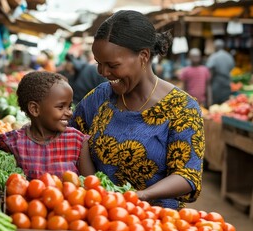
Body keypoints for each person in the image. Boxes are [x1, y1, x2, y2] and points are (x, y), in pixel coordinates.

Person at [69, 10, 204, 209]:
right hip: (100, 215)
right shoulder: (98, 99)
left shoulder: (182, 108)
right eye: (99, 64)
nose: (103, 73)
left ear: (143, 56)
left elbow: (187, 175)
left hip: (155, 221)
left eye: (112, 65)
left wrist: (140, 196)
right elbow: (70, 139)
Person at [0, 71, 95, 180]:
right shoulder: (12, 143)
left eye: (69, 106)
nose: (70, 113)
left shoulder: (77, 141)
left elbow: (90, 184)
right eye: (61, 107)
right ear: (35, 109)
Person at [206, 39, 235, 106]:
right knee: (225, 104)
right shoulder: (229, 56)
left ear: (215, 47)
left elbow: (209, 69)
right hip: (227, 82)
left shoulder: (213, 57)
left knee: (215, 105)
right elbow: (232, 67)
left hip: (216, 83)